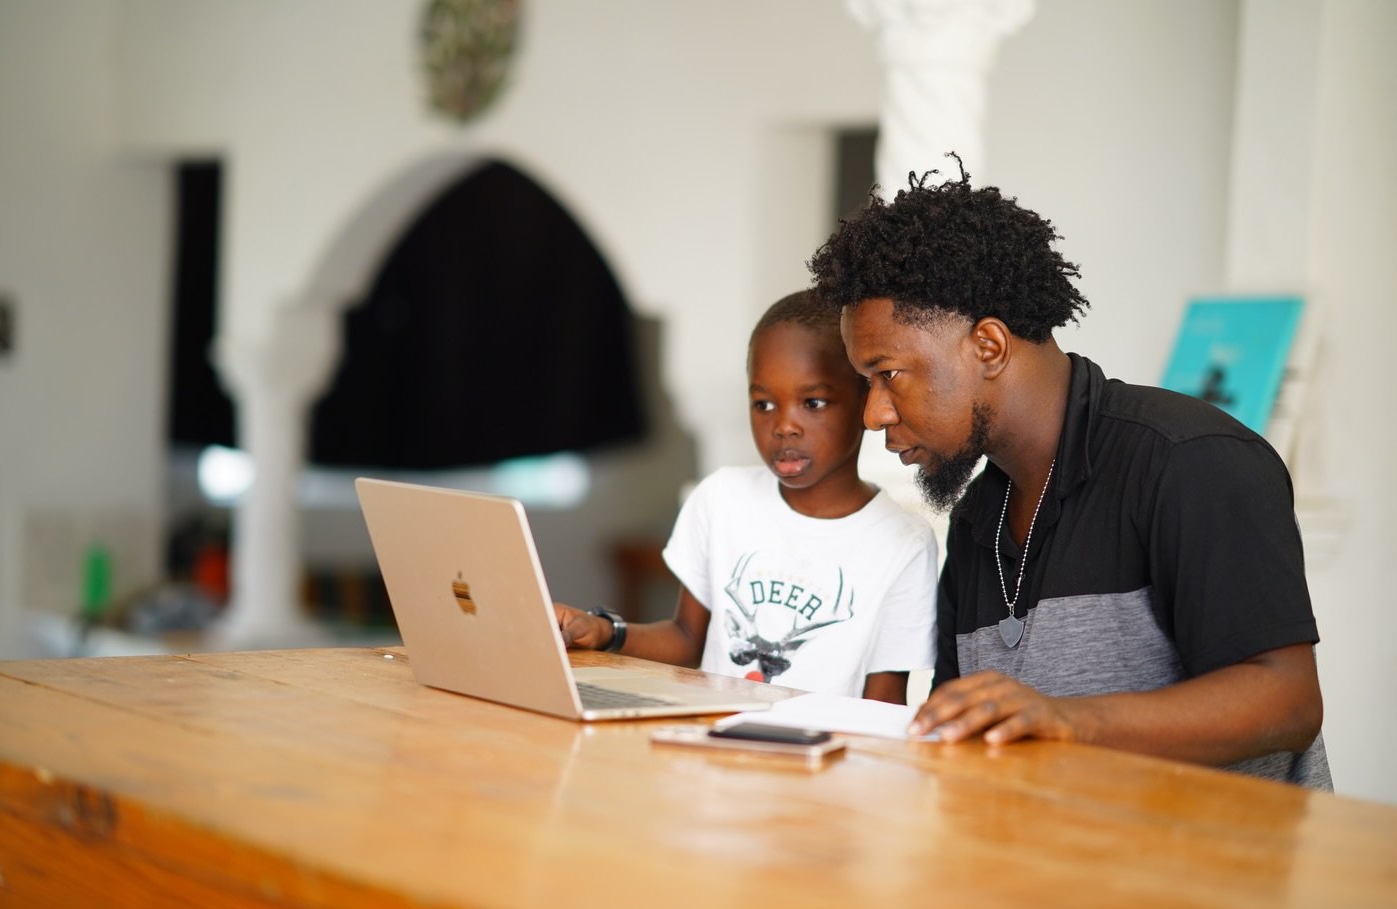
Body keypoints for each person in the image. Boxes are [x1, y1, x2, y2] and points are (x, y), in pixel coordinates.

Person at [807, 157, 1330, 787]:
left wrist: (1069, 720)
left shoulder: (1190, 459)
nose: (873, 414)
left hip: (1224, 854)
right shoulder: (978, 519)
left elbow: (1287, 701)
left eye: (887, 374)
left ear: (989, 346)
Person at [556, 291, 938, 703]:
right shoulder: (721, 499)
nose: (784, 426)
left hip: (823, 744)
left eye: (813, 402)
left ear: (866, 402)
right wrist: (605, 632)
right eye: (764, 404)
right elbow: (686, 639)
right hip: (707, 734)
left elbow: (884, 705)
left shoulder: (905, 544)